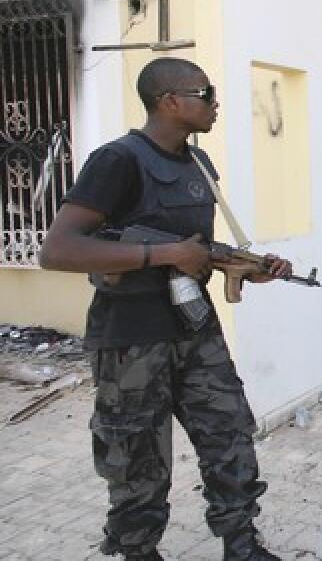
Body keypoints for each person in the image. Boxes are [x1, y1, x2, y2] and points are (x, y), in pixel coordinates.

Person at [39, 58, 292, 561]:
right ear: (169, 101)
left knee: (229, 435)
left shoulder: (199, 165)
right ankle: (138, 551)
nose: (216, 103)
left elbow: (192, 245)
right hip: (131, 337)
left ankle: (241, 545)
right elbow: (59, 249)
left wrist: (239, 263)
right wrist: (164, 255)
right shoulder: (118, 160)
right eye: (206, 93)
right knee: (136, 456)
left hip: (195, 328)